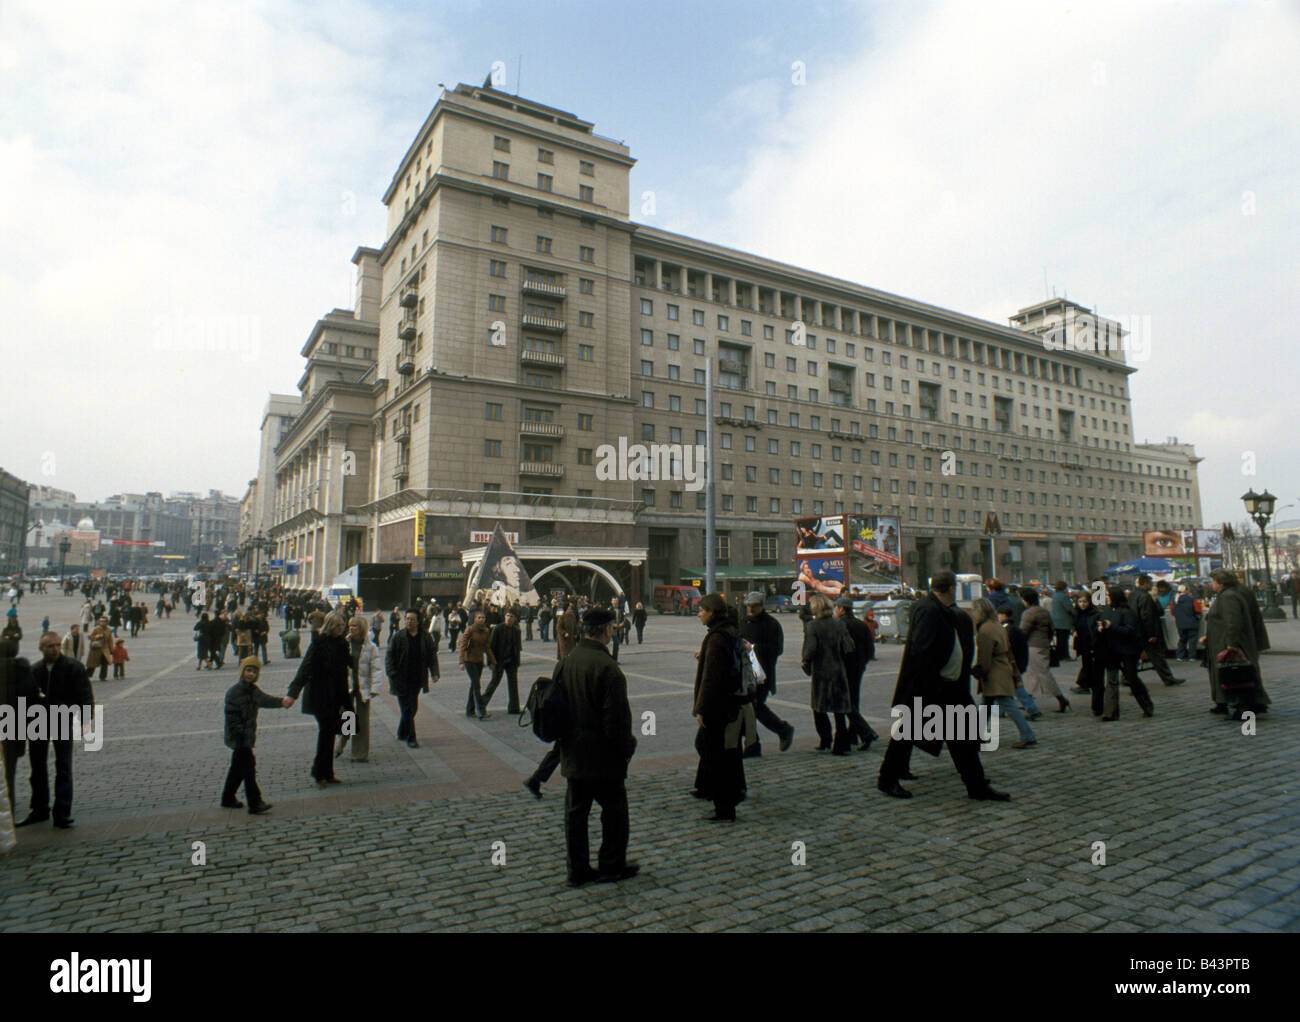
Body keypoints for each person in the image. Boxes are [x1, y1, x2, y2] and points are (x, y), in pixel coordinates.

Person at [877, 571, 1008, 802]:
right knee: (906, 734)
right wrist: (929, 688)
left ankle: (976, 786)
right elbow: (922, 652)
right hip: (930, 688)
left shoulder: (942, 609)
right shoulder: (929, 610)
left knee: (962, 740)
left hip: (948, 687)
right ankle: (887, 780)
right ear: (950, 588)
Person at [554, 606, 639, 886]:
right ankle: (611, 866)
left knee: (575, 814)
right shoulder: (608, 667)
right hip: (603, 756)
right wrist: (625, 750)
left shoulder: (567, 661)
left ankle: (576, 870)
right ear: (606, 630)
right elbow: (616, 720)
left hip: (574, 752)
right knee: (614, 813)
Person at [17, 632, 94, 828]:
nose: (55, 649)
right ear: (41, 648)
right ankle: (39, 809)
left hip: (62, 720)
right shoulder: (34, 670)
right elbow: (25, 699)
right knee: (37, 768)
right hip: (38, 723)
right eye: (50, 646)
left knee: (64, 767)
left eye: (58, 645)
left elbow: (85, 695)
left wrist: (86, 720)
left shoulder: (73, 667)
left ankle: (62, 812)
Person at [692, 594, 745, 821]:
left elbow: (711, 678)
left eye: (702, 610)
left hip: (717, 705)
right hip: (729, 702)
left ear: (712, 612)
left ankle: (724, 805)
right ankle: (728, 793)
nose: (699, 614)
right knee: (725, 751)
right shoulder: (730, 631)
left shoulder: (716, 638)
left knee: (716, 753)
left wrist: (701, 709)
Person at [286, 611, 352, 787]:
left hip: (337, 695)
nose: (342, 628)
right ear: (331, 625)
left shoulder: (343, 643)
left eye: (343, 625)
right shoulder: (319, 643)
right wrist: (293, 693)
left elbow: (349, 665)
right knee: (326, 733)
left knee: (331, 733)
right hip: (319, 695)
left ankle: (326, 772)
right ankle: (319, 773)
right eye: (339, 625)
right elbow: (305, 668)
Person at [222, 657, 292, 813]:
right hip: (239, 738)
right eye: (248, 670)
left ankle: (227, 798)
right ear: (242, 672)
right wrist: (241, 734)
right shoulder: (234, 692)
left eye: (254, 672)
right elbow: (232, 717)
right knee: (248, 769)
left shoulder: (253, 690)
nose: (250, 674)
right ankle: (255, 802)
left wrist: (282, 702)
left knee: (237, 769)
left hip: (246, 737)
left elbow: (265, 700)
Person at [1200, 568, 1271, 719]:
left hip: (1228, 643)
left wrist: (1231, 643)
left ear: (1220, 583)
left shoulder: (1228, 597)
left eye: (1213, 581)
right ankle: (1228, 703)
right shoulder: (1226, 595)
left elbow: (1233, 621)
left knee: (1237, 675)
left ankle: (1245, 708)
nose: (1211, 584)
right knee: (1233, 675)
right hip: (1220, 640)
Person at [971, 598, 1036, 748]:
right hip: (1003, 667)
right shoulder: (997, 626)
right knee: (987, 704)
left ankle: (1027, 734)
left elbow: (985, 655)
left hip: (994, 672)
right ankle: (976, 735)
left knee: (1006, 704)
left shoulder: (985, 630)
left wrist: (979, 670)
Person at [738, 592, 794, 756]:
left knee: (754, 708)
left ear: (762, 606)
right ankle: (755, 743)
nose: (750, 608)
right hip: (745, 673)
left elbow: (777, 649)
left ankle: (779, 731)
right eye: (748, 605)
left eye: (754, 605)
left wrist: (753, 648)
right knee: (749, 709)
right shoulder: (743, 622)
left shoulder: (772, 624)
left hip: (762, 674)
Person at [1094, 587, 1154, 720]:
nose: (1107, 598)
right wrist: (1100, 628)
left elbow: (1130, 631)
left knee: (1132, 679)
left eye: (1109, 595)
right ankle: (1110, 712)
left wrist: (1112, 626)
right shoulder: (1107, 610)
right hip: (1111, 650)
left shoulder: (1127, 612)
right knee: (1111, 680)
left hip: (1127, 651)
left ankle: (1147, 705)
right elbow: (1103, 625)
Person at [386, 609, 440, 747]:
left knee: (413, 707)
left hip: (417, 678)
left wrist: (435, 672)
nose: (409, 621)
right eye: (407, 619)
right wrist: (392, 673)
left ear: (418, 621)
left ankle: (402, 731)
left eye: (412, 619)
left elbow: (432, 655)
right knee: (407, 709)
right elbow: (389, 657)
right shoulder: (398, 636)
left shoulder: (425, 636)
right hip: (401, 678)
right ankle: (411, 737)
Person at [335, 616, 382, 763]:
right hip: (347, 687)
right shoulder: (345, 643)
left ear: (361, 628)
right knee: (347, 717)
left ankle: (359, 753)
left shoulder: (371, 647)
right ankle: (340, 744)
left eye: (355, 626)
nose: (351, 628)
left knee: (362, 721)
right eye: (350, 626)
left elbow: (376, 669)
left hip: (363, 688)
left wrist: (375, 687)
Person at [1020, 588, 1068, 712]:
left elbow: (1023, 631)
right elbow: (1051, 629)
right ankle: (1028, 700)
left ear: (1026, 600)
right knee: (1033, 674)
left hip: (1033, 645)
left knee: (1042, 674)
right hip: (1043, 644)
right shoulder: (1044, 612)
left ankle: (1061, 698)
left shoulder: (1029, 613)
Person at [1, 636, 34, 817]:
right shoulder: (23, 671)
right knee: (9, 772)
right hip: (14, 728)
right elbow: (30, 700)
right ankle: (9, 808)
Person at [1132, 573, 1185, 687]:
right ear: (1145, 584)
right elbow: (1147, 616)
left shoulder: (1133, 595)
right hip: (1146, 632)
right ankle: (1168, 678)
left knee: (1134, 658)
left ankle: (1127, 678)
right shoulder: (1145, 596)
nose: (1152, 585)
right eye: (1150, 583)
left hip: (1136, 631)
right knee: (1157, 657)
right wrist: (1152, 634)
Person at [483, 610, 523, 714]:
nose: (509, 618)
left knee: (513, 685)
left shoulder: (516, 630)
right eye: (508, 615)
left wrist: (517, 662)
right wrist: (490, 662)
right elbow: (491, 647)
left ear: (514, 619)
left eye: (512, 616)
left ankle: (514, 708)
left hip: (511, 661)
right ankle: (481, 705)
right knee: (494, 683)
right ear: (504, 617)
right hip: (498, 660)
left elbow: (517, 648)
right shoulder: (498, 629)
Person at [458, 611, 495, 720]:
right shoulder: (469, 630)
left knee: (474, 686)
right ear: (474, 619)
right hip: (469, 660)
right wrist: (461, 661)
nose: (481, 619)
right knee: (476, 685)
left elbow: (487, 647)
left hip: (479, 661)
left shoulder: (486, 631)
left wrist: (492, 661)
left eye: (483, 617)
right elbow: (462, 646)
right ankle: (481, 711)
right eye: (479, 617)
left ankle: (469, 710)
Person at [1072, 590, 1103, 714]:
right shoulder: (1077, 614)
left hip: (1094, 647)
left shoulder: (1095, 614)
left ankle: (1097, 705)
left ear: (1089, 602)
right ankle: (1085, 685)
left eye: (1085, 601)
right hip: (1083, 647)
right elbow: (1076, 627)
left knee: (1096, 676)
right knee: (1088, 669)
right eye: (1080, 602)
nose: (1082, 604)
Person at [1172, 585, 1200, 662]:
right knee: (1192, 640)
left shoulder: (1174, 600)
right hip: (1191, 622)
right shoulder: (1191, 599)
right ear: (1186, 590)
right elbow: (1198, 610)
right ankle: (1192, 656)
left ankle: (1179, 656)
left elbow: (1172, 612)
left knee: (1182, 639)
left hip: (1180, 623)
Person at [1050, 581, 1074, 664]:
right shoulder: (1064, 597)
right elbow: (1069, 608)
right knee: (1064, 639)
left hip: (1055, 621)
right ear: (1064, 587)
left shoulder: (1054, 596)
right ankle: (1065, 656)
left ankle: (1059, 655)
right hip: (1064, 621)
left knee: (1059, 639)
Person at [85, 617, 113, 682]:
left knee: (105, 663)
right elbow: (89, 637)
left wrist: (111, 649)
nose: (103, 623)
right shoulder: (96, 629)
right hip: (96, 649)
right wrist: (96, 636)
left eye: (104, 621)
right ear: (99, 622)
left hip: (105, 649)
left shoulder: (108, 630)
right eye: (101, 621)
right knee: (92, 664)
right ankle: (87, 676)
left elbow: (110, 640)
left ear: (107, 622)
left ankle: (103, 677)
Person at [609, 596, 626, 661]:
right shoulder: (610, 609)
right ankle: (612, 659)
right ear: (611, 602)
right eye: (614, 601)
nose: (615, 602)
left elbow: (624, 618)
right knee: (615, 642)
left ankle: (615, 658)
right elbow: (607, 619)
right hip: (612, 629)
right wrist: (613, 625)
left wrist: (622, 623)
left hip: (619, 628)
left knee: (617, 644)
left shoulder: (621, 609)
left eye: (616, 601)